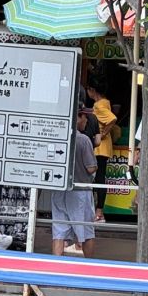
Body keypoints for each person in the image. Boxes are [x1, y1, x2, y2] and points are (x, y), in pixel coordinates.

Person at [51, 108, 99, 258]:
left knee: (59, 230)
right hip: (80, 191)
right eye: (86, 118)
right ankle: (89, 267)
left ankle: (55, 265)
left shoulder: (57, 136)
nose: (87, 122)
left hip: (60, 188)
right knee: (86, 231)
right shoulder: (83, 140)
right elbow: (91, 168)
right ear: (80, 117)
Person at [86, 72, 118, 214]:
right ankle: (98, 211)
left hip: (100, 147)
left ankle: (99, 211)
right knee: (99, 178)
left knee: (98, 179)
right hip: (104, 147)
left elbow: (112, 119)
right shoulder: (105, 102)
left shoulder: (99, 105)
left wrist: (103, 133)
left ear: (92, 90)